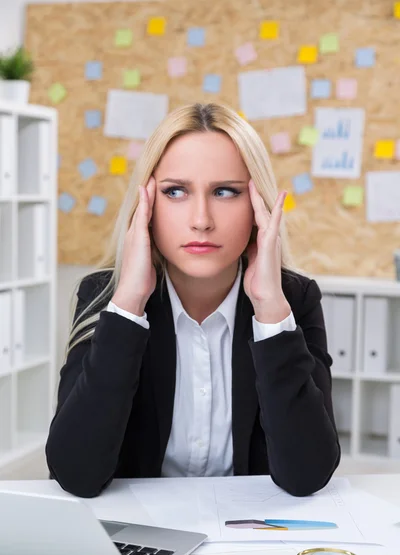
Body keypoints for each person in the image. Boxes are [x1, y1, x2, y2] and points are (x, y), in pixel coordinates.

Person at [46, 102, 340, 499]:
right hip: (138, 533)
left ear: (258, 207)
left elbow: (306, 476)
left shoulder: (293, 300)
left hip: (249, 539)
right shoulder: (105, 295)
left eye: (224, 192)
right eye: (176, 192)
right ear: (147, 206)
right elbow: (75, 474)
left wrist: (270, 310)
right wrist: (129, 303)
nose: (201, 219)